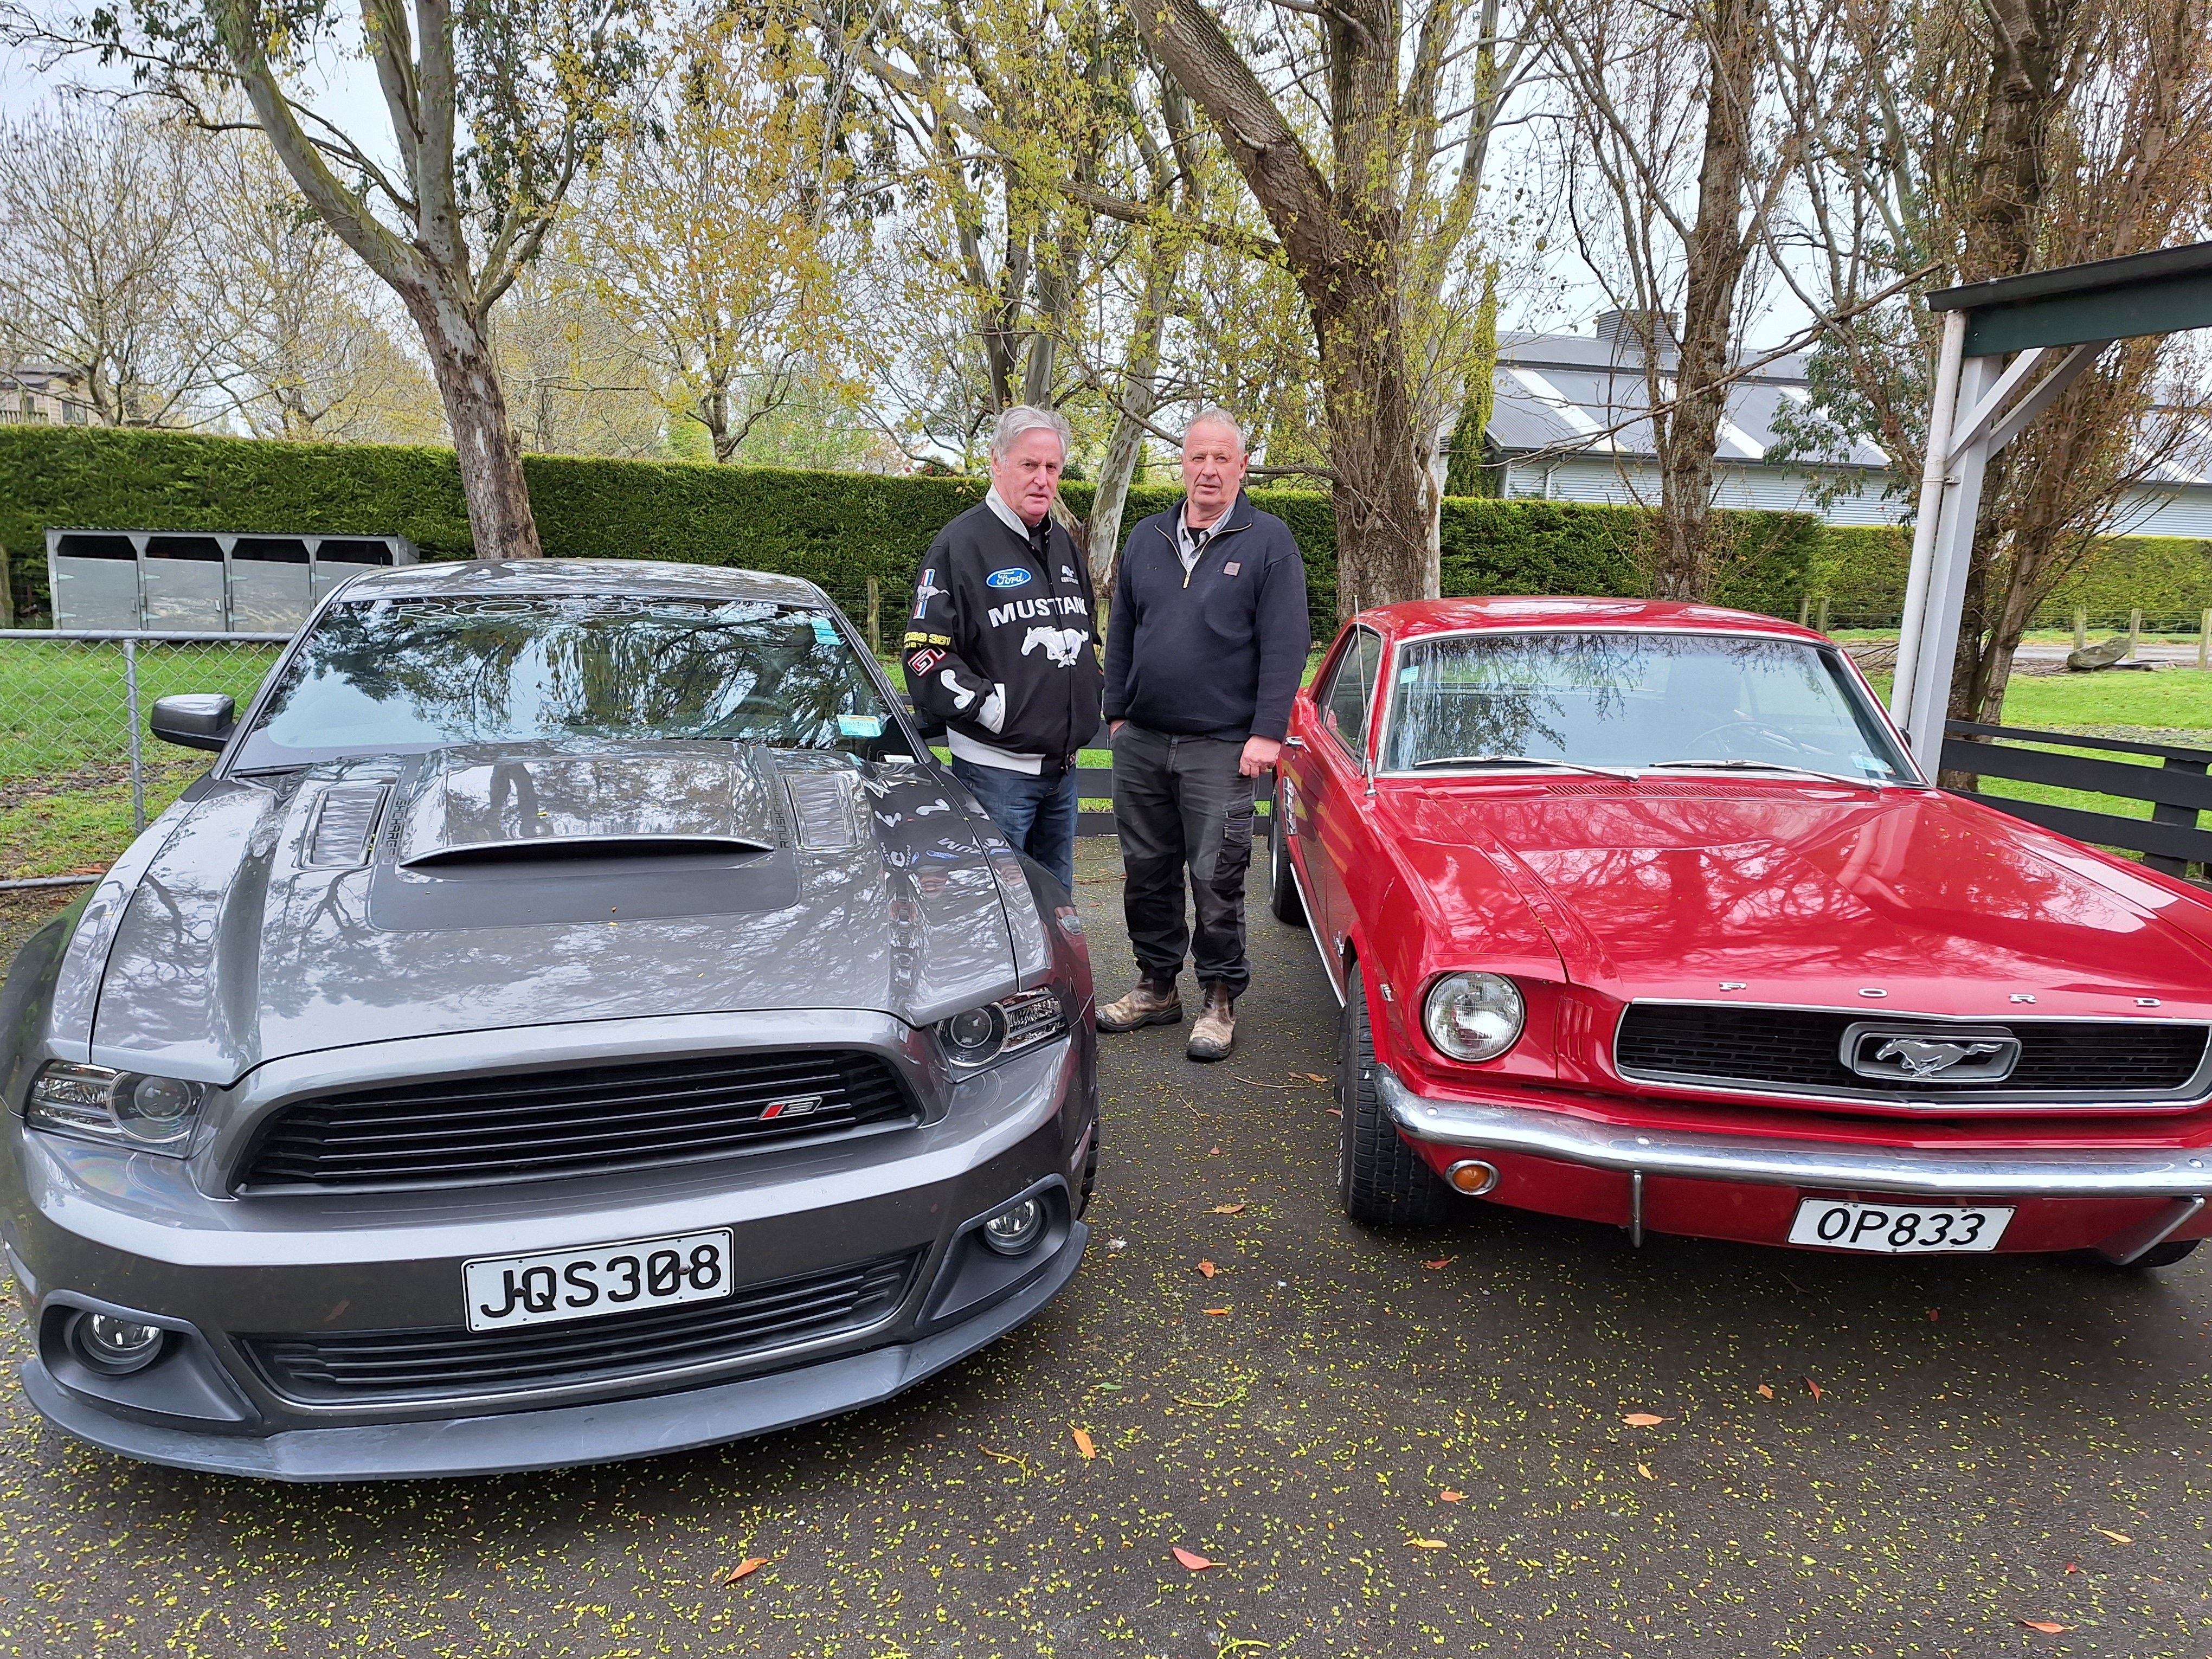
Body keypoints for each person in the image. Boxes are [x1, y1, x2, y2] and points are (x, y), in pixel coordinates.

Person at [1096, 409, 1310, 1061]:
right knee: (1146, 872)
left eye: (1223, 458)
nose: (1209, 470)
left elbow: (1286, 644)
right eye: (1198, 458)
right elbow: (1124, 629)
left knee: (1217, 876)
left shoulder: (1269, 543)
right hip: (1144, 741)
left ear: (1243, 466)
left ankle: (1219, 998)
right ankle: (1158, 986)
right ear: (1183, 464)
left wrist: (1267, 733)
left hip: (1223, 746)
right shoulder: (1147, 538)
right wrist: (1116, 710)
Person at [903, 405, 1102, 896]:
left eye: (1052, 468)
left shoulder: (1065, 548)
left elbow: (1085, 634)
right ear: (997, 463)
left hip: (1063, 776)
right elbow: (924, 655)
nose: (1042, 480)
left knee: (1056, 910)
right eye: (1029, 466)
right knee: (999, 914)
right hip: (998, 777)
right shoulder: (959, 546)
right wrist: (993, 709)